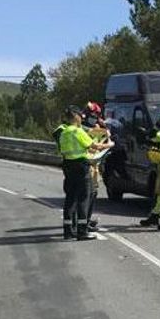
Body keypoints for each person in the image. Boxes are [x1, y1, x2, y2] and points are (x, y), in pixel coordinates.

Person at [54, 106, 104, 240]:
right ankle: (82, 231)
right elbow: (94, 146)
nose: (82, 118)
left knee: (70, 199)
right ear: (75, 117)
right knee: (83, 198)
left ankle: (68, 231)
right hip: (81, 166)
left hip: (68, 166)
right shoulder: (78, 131)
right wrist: (109, 145)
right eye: (80, 116)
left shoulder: (63, 132)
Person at [82, 102, 113, 232]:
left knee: (93, 192)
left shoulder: (98, 126)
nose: (95, 118)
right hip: (86, 164)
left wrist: (103, 127)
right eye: (93, 115)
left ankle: (86, 220)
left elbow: (108, 135)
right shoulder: (82, 128)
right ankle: (83, 222)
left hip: (95, 164)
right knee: (86, 194)